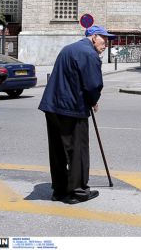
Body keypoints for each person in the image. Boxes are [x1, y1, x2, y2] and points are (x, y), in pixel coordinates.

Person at [38, 25, 114, 204]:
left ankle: (59, 190)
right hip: (71, 108)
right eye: (105, 39)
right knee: (77, 150)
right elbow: (94, 84)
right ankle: (77, 192)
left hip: (52, 106)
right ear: (94, 37)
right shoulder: (89, 54)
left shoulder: (68, 48)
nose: (107, 44)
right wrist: (93, 100)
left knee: (57, 151)